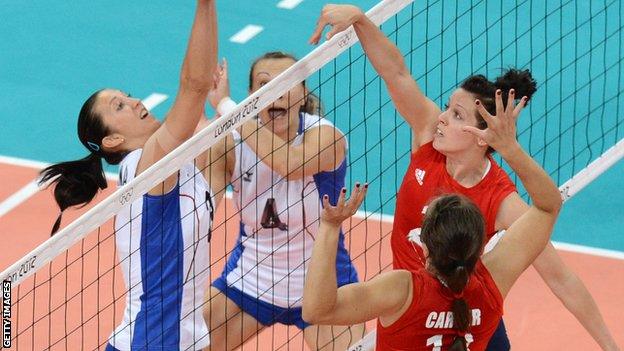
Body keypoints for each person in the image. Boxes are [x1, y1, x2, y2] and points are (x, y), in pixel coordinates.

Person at [309, 4, 620, 351]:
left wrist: (610, 345)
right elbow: (397, 74)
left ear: (481, 136)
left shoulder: (502, 201)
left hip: (466, 313)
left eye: (456, 114)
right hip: (411, 307)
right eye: (446, 107)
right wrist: (361, 21)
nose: (441, 118)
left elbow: (560, 278)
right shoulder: (428, 135)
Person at [302, 87, 563, 351]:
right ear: (478, 244)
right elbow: (548, 207)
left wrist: (329, 226)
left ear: (423, 244)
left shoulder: (402, 290)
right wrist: (508, 147)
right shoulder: (493, 282)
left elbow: (316, 311)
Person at [39, 1, 228, 350]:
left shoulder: (173, 167)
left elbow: (214, 178)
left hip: (178, 339)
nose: (135, 101)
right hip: (153, 341)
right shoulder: (146, 165)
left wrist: (221, 105)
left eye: (126, 96)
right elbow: (193, 85)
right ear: (112, 140)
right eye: (119, 106)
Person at [203, 53, 365, 350]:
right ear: (253, 96)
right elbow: (201, 213)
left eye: (286, 82)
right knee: (179, 341)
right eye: (265, 84)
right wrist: (202, 139)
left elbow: (289, 164)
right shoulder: (230, 144)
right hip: (251, 278)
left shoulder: (326, 136)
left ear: (303, 94)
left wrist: (228, 109)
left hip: (324, 284)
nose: (276, 91)